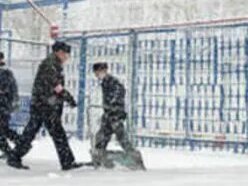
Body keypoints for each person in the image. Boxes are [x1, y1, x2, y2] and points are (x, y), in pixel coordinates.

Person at [7, 41, 81, 171]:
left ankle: (15, 156)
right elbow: (55, 86)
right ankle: (67, 162)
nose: (67, 57)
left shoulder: (53, 64)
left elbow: (55, 86)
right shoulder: (50, 65)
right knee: (57, 134)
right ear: (59, 52)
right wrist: (67, 97)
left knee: (31, 132)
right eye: (66, 54)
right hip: (45, 105)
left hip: (42, 104)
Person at [91, 62, 143, 168]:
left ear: (104, 71)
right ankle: (99, 157)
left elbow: (119, 92)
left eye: (98, 72)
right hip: (110, 114)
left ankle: (133, 157)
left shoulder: (112, 81)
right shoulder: (105, 81)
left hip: (114, 114)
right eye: (96, 73)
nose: (96, 75)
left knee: (120, 136)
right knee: (102, 136)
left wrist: (113, 106)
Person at [0, 51, 21, 157]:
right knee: (4, 130)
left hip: (2, 106)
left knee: (2, 131)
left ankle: (9, 151)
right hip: (5, 107)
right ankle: (21, 143)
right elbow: (14, 90)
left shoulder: (4, 73)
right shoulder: (8, 73)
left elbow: (6, 90)